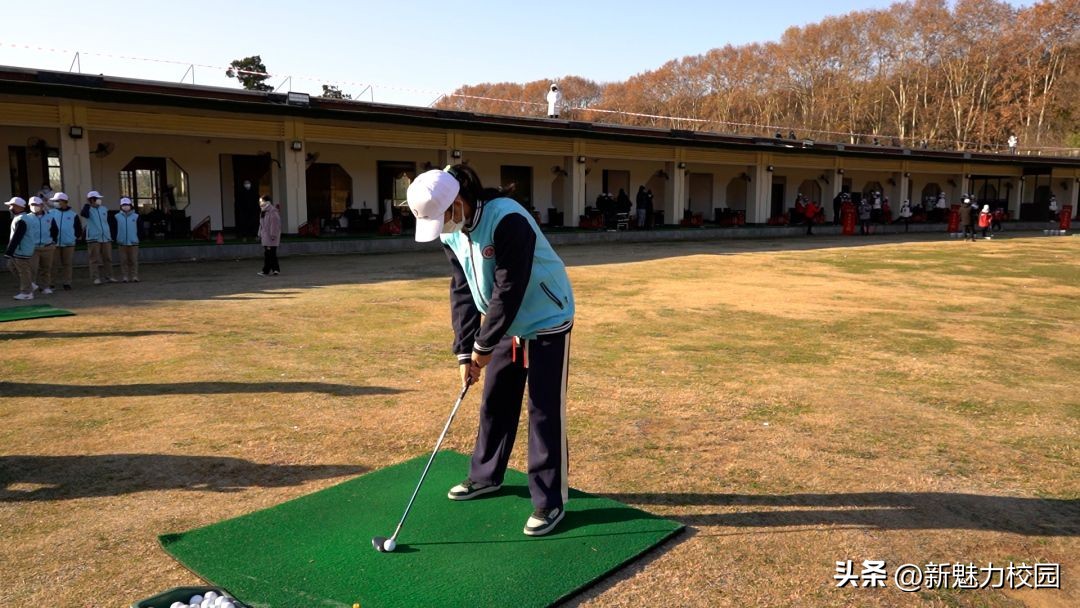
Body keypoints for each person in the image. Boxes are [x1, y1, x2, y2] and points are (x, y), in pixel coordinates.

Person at [406, 164, 575, 537]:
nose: (442, 227)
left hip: (546, 316)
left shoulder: (508, 219)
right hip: (504, 323)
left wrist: (484, 346)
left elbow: (509, 288)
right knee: (496, 400)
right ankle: (486, 476)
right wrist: (465, 352)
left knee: (544, 410)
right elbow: (462, 289)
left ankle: (549, 502)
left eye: (443, 218)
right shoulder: (451, 230)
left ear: (459, 202)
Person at [4, 197, 36, 300]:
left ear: (17, 207)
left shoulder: (22, 219)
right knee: (11, 265)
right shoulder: (22, 217)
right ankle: (30, 284)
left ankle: (27, 292)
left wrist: (9, 251)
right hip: (21, 249)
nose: (10, 208)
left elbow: (17, 236)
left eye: (11, 205)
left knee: (23, 271)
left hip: (22, 250)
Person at [81, 190, 116, 284]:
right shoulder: (88, 209)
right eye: (98, 199)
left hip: (106, 237)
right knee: (94, 259)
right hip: (94, 238)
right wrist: (88, 205)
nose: (100, 200)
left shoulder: (104, 209)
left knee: (108, 258)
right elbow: (83, 214)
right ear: (92, 200)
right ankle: (95, 278)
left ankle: (109, 276)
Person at [49, 192, 81, 290]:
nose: (56, 203)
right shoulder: (51, 213)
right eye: (55, 201)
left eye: (57, 201)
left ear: (64, 202)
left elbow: (78, 229)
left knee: (67, 264)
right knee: (53, 264)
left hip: (69, 244)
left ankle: (67, 283)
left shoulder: (73, 215)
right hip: (55, 243)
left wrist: (73, 237)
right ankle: (51, 283)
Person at [27, 197, 57, 295]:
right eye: (32, 205)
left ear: (42, 205)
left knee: (46, 268)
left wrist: (53, 242)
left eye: (36, 205)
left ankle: (45, 287)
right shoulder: (27, 218)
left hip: (47, 247)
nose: (34, 207)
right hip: (33, 247)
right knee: (32, 269)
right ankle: (30, 287)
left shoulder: (50, 217)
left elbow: (54, 230)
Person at [115, 197, 141, 282]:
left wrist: (138, 238)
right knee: (124, 261)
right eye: (123, 205)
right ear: (121, 206)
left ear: (130, 205)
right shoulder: (117, 216)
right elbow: (113, 229)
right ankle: (125, 276)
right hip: (122, 242)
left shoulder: (136, 216)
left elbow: (141, 229)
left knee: (133, 260)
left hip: (133, 242)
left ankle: (134, 276)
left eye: (127, 205)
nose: (125, 206)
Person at [257, 196, 281, 276]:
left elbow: (274, 224)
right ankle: (275, 270)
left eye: (261, 201)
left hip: (270, 237)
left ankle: (267, 271)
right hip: (266, 236)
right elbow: (261, 225)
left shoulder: (272, 211)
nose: (260, 203)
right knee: (270, 254)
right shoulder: (263, 211)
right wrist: (259, 234)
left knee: (269, 254)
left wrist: (273, 235)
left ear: (266, 201)